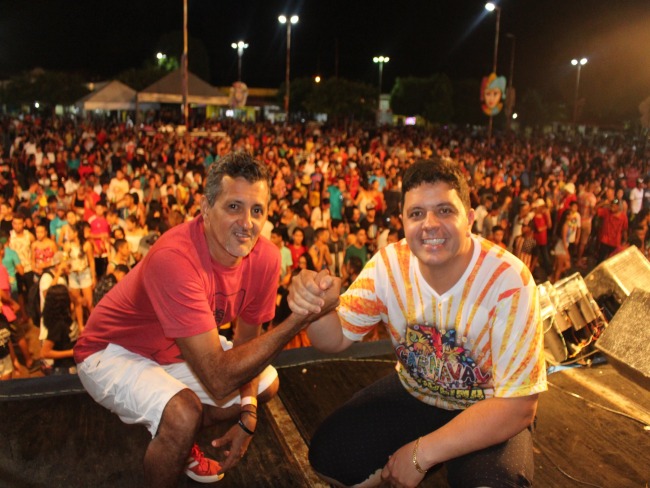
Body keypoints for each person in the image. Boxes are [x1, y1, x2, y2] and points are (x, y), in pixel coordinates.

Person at [73, 152, 338, 488]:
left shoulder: (265, 258)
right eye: (234, 207)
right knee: (183, 412)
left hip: (177, 352)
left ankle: (178, 439)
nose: (247, 222)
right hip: (110, 352)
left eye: (257, 210)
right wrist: (298, 320)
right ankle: (177, 434)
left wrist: (248, 414)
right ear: (204, 208)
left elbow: (246, 346)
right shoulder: (175, 257)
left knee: (266, 382)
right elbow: (217, 378)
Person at [289, 158, 546, 487]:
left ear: (468, 219)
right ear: (403, 221)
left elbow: (520, 406)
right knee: (328, 459)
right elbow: (333, 340)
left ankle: (440, 457)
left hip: (487, 407)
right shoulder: (389, 265)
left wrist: (421, 453)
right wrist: (316, 307)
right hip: (416, 392)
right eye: (416, 213)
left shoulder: (508, 280)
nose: (430, 224)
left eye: (444, 210)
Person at [41, 284, 79, 375]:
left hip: (73, 366)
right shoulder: (58, 325)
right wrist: (71, 352)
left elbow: (78, 302)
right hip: (65, 370)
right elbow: (45, 353)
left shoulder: (66, 317)